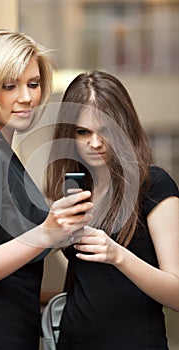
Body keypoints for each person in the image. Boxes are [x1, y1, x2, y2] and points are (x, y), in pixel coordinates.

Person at [0, 30, 93, 350]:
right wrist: (46, 232)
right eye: (9, 86)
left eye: (34, 84)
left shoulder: (0, 154)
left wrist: (62, 229)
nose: (26, 97)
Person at [45, 71, 179, 350]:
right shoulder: (77, 189)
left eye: (105, 130)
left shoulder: (153, 185)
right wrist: (53, 233)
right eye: (83, 132)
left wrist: (118, 255)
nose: (95, 143)